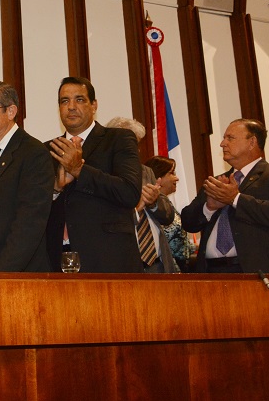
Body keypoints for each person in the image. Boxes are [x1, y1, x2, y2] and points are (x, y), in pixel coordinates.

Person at [46, 77, 143, 273]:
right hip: (57, 260)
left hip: (108, 259)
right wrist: (55, 189)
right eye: (65, 101)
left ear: (94, 105)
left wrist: (79, 170)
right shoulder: (47, 149)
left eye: (79, 99)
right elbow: (33, 209)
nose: (71, 107)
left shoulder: (119, 139)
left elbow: (129, 192)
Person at [181, 118, 269, 274]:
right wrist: (209, 208)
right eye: (224, 138)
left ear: (252, 142)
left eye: (230, 138)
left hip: (256, 272)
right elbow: (188, 223)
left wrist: (236, 199)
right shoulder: (216, 182)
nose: (222, 143)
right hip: (211, 272)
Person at [0, 81, 54, 272]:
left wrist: (2, 275)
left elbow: (29, 225)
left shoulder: (33, 153)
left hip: (15, 275)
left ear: (11, 111)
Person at [106, 117, 177, 273]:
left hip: (157, 264)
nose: (136, 150)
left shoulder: (146, 171)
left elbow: (168, 215)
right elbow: (101, 221)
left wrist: (154, 202)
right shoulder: (102, 175)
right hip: (123, 266)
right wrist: (135, 211)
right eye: (130, 144)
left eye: (136, 144)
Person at [145, 155, 194, 272]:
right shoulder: (149, 206)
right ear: (158, 177)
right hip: (161, 268)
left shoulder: (167, 205)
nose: (177, 178)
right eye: (171, 173)